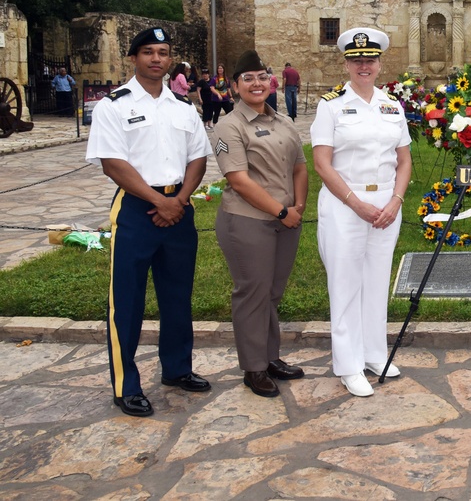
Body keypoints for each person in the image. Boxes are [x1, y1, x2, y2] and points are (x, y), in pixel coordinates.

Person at [85, 27, 213, 417]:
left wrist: (180, 200)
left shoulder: (182, 107)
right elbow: (113, 163)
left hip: (179, 205)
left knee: (177, 295)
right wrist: (161, 201)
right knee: (126, 302)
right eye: (148, 52)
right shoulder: (113, 106)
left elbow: (198, 158)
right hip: (137, 210)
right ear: (133, 58)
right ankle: (126, 386)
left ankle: (177, 369)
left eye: (162, 52)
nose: (156, 59)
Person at [310, 28, 412, 397]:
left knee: (376, 281)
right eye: (356, 60)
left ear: (379, 63)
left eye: (369, 59)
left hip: (387, 205)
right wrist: (357, 204)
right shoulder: (331, 105)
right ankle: (348, 364)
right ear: (347, 63)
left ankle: (373, 353)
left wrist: (396, 201)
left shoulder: (391, 104)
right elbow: (322, 164)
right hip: (345, 206)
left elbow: (404, 160)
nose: (363, 65)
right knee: (346, 284)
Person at [211, 50, 308, 397]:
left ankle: (270, 357)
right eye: (247, 78)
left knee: (272, 293)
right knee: (252, 293)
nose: (256, 83)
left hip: (286, 220)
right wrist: (282, 212)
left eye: (262, 77)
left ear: (271, 82)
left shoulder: (284, 122)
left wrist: (297, 205)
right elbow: (238, 179)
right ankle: (253, 368)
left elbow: (300, 166)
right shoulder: (230, 126)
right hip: (248, 221)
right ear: (235, 86)